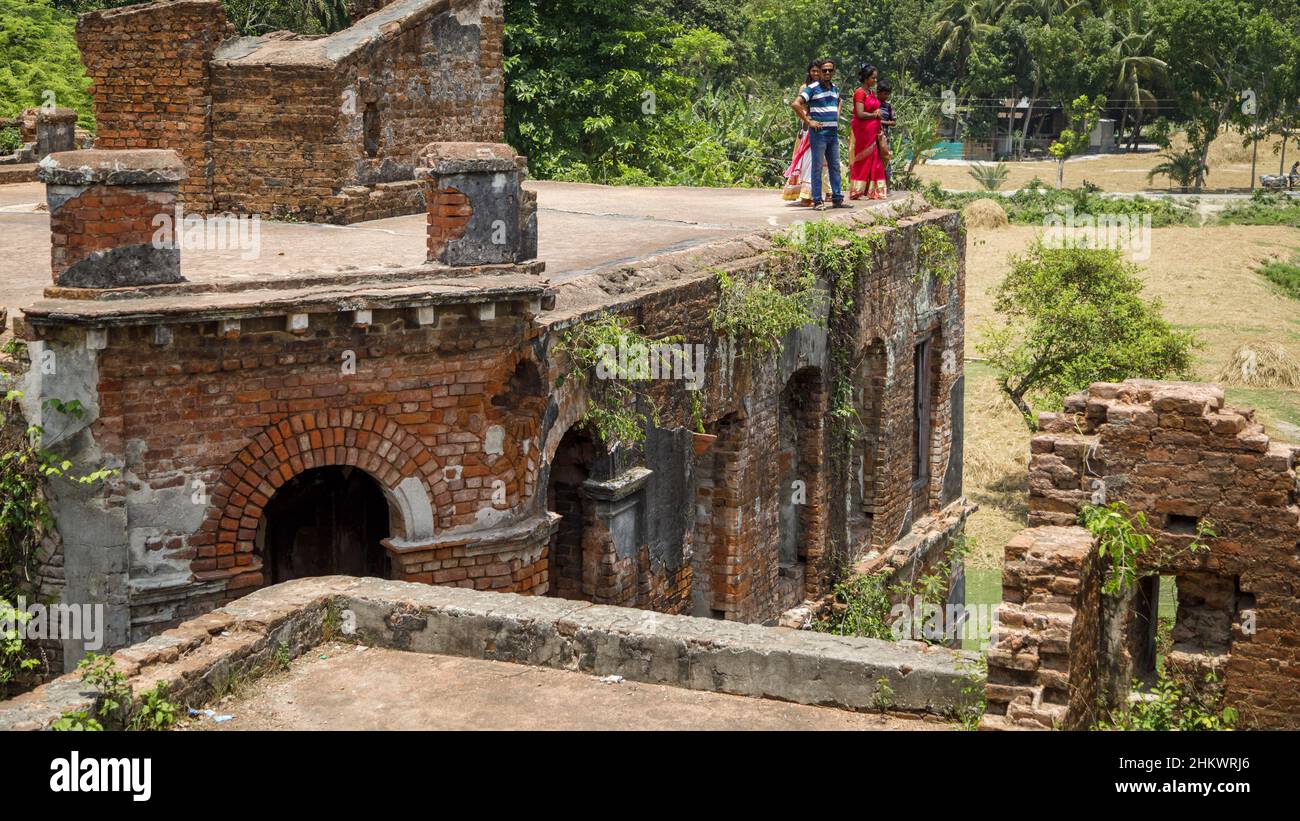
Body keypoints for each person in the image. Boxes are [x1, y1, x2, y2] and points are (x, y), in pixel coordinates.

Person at [792, 58, 849, 209]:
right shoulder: (812, 88)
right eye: (825, 70)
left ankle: (837, 198)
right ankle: (817, 200)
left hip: (833, 133)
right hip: (819, 133)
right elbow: (796, 104)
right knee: (817, 167)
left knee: (834, 166)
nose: (828, 73)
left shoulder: (835, 88)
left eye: (830, 70)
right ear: (821, 72)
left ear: (834, 71)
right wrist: (809, 121)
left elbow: (838, 103)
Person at [782, 62, 823, 205]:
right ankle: (806, 195)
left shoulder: (825, 87)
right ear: (809, 72)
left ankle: (813, 194)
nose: (816, 74)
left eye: (818, 71)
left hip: (822, 127)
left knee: (818, 161)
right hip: (808, 126)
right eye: (813, 71)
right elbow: (798, 106)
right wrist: (808, 119)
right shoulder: (805, 88)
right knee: (806, 159)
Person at [848, 64, 886, 200]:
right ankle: (857, 190)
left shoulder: (871, 93)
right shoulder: (860, 92)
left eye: (875, 78)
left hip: (873, 131)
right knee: (863, 160)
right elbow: (859, 114)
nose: (875, 81)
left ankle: (872, 190)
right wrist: (875, 115)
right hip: (863, 132)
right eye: (872, 78)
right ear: (865, 78)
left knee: (875, 160)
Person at [877, 81, 896, 192]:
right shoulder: (873, 104)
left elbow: (893, 122)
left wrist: (882, 122)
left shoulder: (888, 107)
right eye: (884, 94)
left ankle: (887, 188)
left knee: (886, 161)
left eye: (887, 94)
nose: (885, 96)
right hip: (872, 138)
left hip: (884, 139)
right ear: (878, 92)